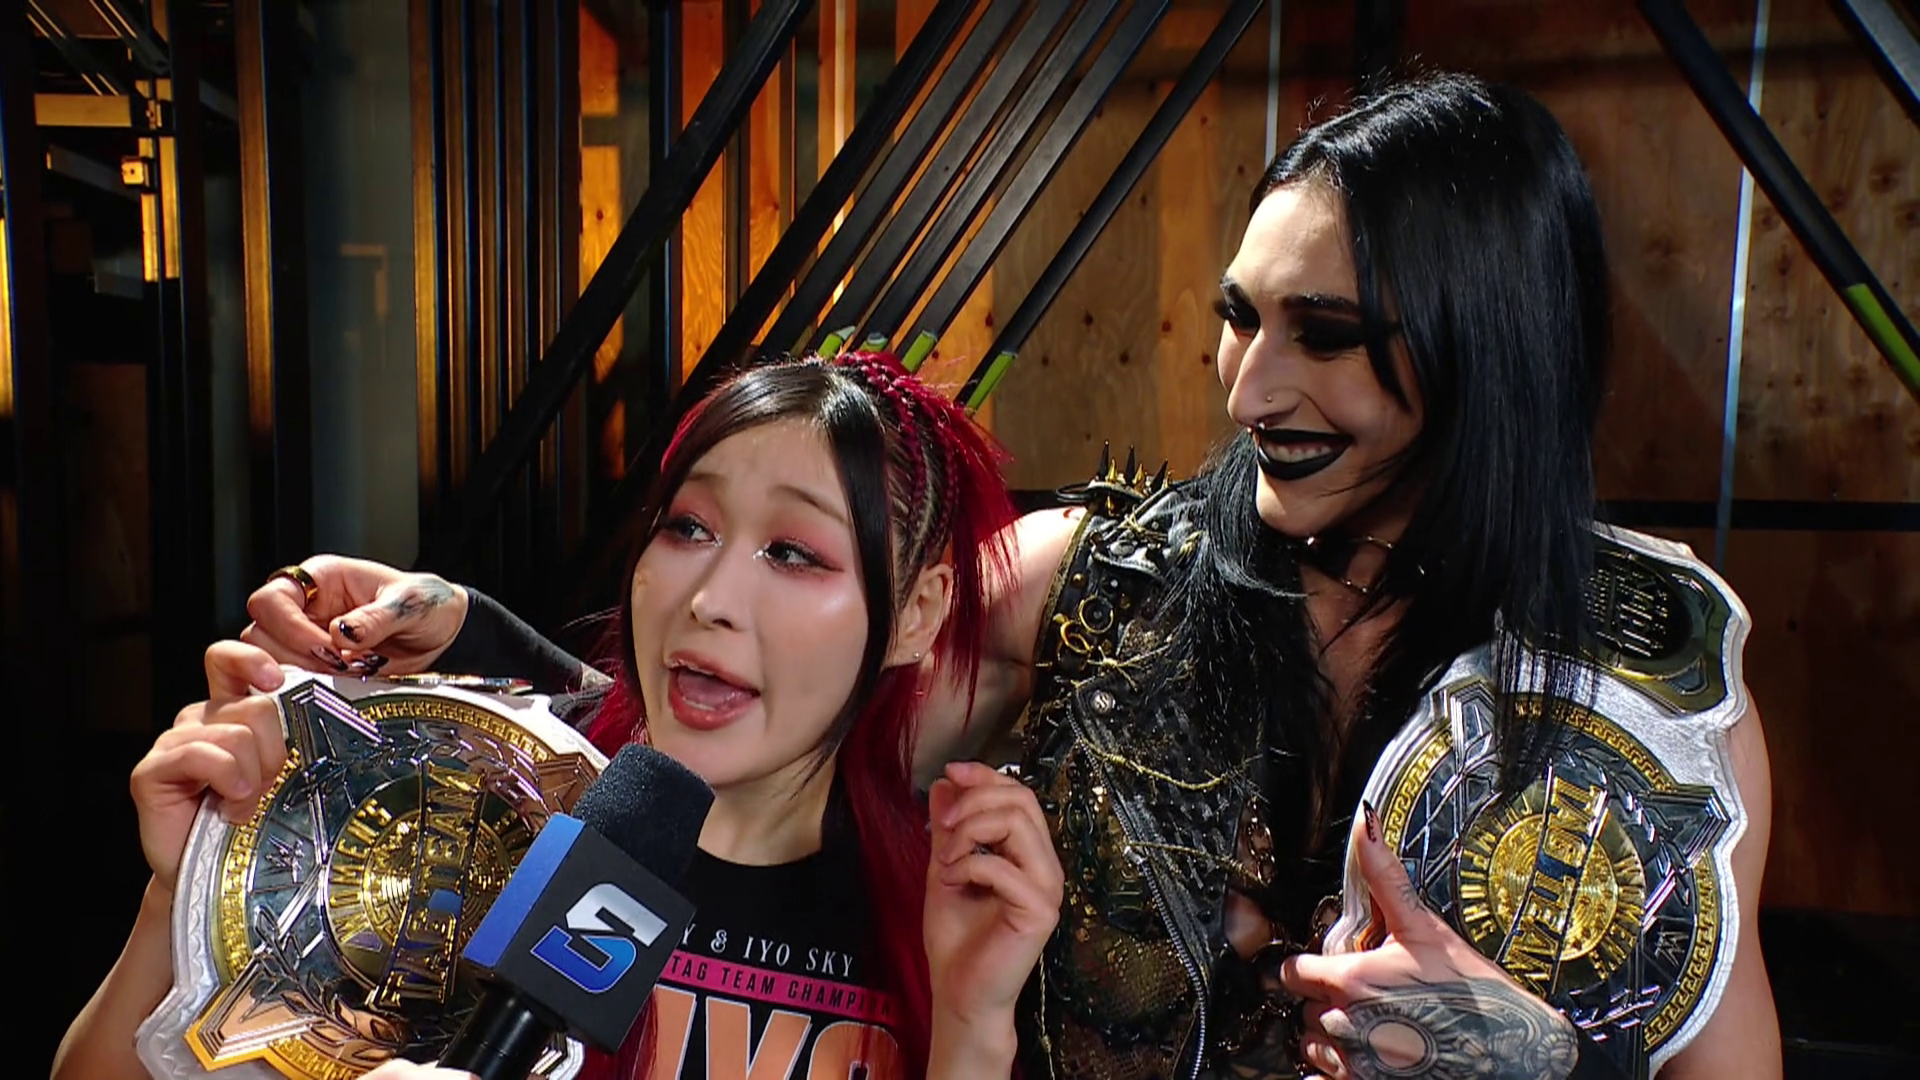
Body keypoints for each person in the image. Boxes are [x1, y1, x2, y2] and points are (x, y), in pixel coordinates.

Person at [225, 75, 1780, 1079]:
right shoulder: (1090, 582)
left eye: (1325, 336)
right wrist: (466, 636)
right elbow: (757, 728)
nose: (1249, 389)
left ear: (1488, 349)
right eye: (1239, 318)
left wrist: (1556, 1063)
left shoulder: (1644, 701)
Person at [51, 353, 1066, 1080]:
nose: (710, 596)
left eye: (794, 552)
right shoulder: (479, 806)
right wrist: (181, 897)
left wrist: (973, 1031)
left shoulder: (944, 913)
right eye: (688, 526)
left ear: (917, 614)